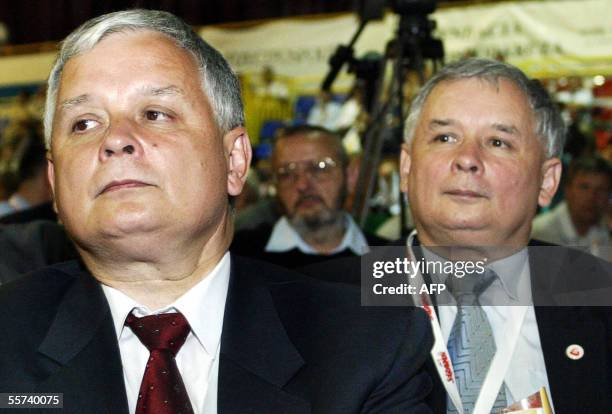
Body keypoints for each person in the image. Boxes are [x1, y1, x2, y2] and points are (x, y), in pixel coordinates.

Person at [0, 9, 434, 414]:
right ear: (56, 183)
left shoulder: (369, 348)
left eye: (155, 113)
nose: (116, 139)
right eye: (84, 123)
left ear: (234, 161)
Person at [300, 58, 612, 413]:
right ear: (407, 168)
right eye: (445, 137)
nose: (467, 158)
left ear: (547, 182)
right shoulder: (319, 305)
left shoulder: (599, 296)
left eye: (498, 142)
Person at [232, 125, 385, 271]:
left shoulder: (388, 261)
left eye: (320, 168)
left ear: (350, 177)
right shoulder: (240, 256)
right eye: (286, 173)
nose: (302, 184)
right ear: (275, 184)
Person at [532, 155, 610, 258]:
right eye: (584, 187)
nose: (592, 197)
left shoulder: (605, 232)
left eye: (601, 189)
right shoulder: (541, 233)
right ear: (568, 190)